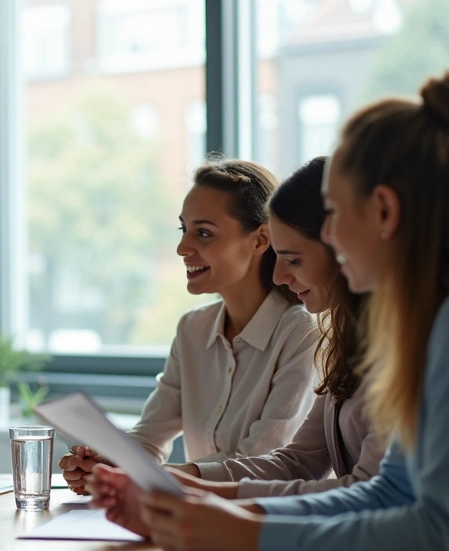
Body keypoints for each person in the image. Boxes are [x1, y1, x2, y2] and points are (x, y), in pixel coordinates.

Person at [94, 68, 449, 551]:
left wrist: (244, 533)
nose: (332, 239)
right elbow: (392, 491)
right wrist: (224, 515)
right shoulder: (442, 317)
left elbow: (442, 537)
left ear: (383, 211)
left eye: (335, 213)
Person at [60, 157, 318, 493]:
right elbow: (150, 438)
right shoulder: (192, 330)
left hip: (265, 526)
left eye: (204, 233)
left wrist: (152, 475)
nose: (183, 248)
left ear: (259, 240)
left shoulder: (301, 334)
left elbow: (260, 462)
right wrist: (107, 463)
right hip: (196, 519)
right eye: (184, 229)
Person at [164, 157, 385, 499]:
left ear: (342, 247)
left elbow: (370, 492)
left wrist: (230, 512)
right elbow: (297, 462)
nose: (279, 275)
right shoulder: (346, 342)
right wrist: (184, 477)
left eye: (294, 260)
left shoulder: (390, 349)